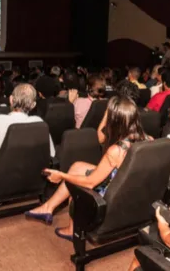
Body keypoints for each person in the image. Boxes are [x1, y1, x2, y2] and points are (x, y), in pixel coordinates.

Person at [25, 96, 150, 240]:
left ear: (114, 119)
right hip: (129, 188)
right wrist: (109, 113)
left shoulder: (116, 151)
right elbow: (100, 138)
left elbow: (90, 182)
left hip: (114, 197)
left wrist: (61, 175)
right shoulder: (147, 139)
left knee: (76, 187)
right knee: (77, 167)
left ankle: (72, 230)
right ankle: (48, 208)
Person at [0, 84, 55, 169]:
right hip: (33, 179)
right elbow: (50, 154)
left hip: (0, 179)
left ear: (11, 99)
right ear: (33, 105)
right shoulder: (39, 123)